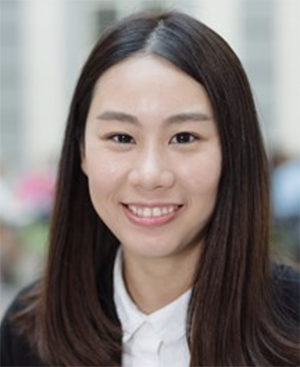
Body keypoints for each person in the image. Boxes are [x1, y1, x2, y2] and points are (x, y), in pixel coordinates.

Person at [1, 10, 300, 367]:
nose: (150, 174)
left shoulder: (293, 325)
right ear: (81, 152)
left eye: (184, 137)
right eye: (122, 137)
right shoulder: (30, 331)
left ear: (233, 152)